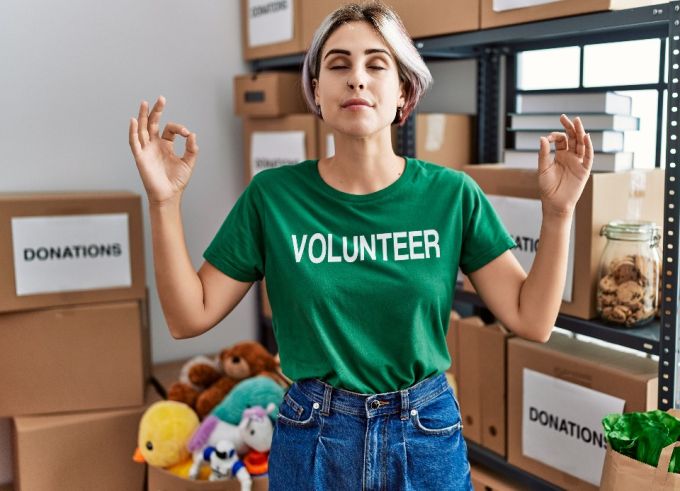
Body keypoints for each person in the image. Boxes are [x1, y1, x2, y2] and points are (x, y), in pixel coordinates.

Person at [128, 2, 593, 489]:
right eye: (337, 64)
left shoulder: (452, 196)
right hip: (313, 437)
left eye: (376, 64)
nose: (356, 79)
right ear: (316, 90)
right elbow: (189, 317)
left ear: (403, 92)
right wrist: (163, 201)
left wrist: (558, 215)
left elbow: (532, 320)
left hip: (425, 436)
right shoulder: (273, 197)